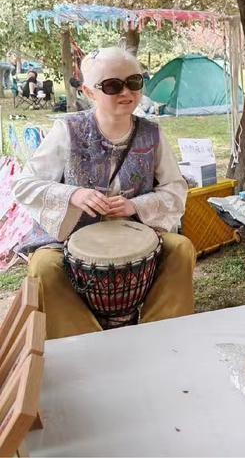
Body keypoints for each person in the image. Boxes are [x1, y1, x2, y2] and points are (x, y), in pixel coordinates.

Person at [13, 47, 196, 340]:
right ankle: (86, 345)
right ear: (89, 91)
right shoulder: (67, 130)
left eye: (134, 82)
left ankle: (163, 337)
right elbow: (24, 184)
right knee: (44, 266)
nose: (127, 92)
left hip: (137, 232)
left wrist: (136, 206)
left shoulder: (153, 133)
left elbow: (175, 188)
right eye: (112, 86)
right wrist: (73, 195)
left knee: (181, 248)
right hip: (72, 238)